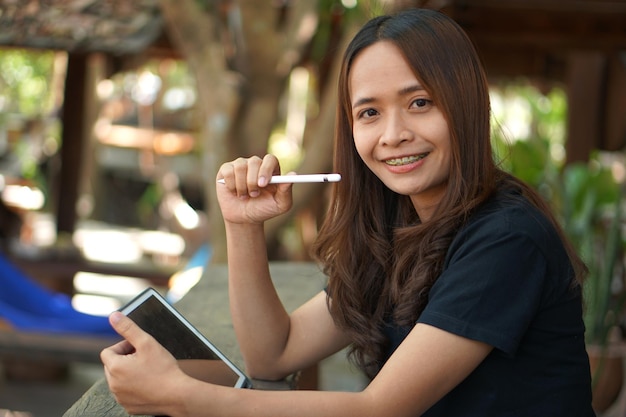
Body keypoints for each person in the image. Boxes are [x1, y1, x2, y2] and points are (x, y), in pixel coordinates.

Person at [101, 8, 595, 416]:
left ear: (465, 105)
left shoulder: (507, 239)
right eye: (369, 112)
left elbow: (381, 409)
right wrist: (243, 225)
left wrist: (182, 396)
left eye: (420, 102)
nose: (393, 134)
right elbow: (274, 355)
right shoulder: (396, 228)